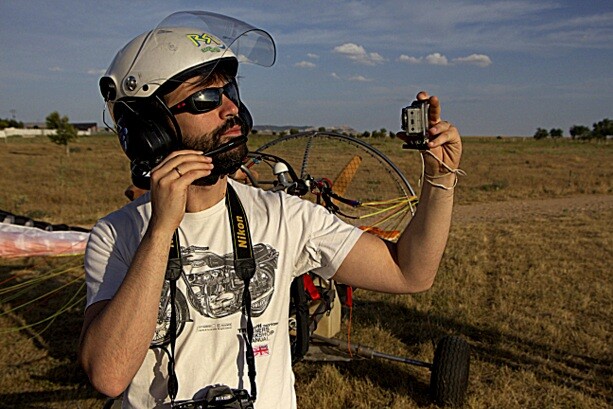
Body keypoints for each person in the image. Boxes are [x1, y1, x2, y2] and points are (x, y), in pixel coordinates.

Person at [78, 10, 462, 409]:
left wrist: (441, 178)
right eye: (206, 98)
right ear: (152, 129)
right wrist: (160, 232)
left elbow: (410, 272)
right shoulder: (117, 234)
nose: (232, 111)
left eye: (232, 93)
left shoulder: (285, 217)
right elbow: (108, 374)